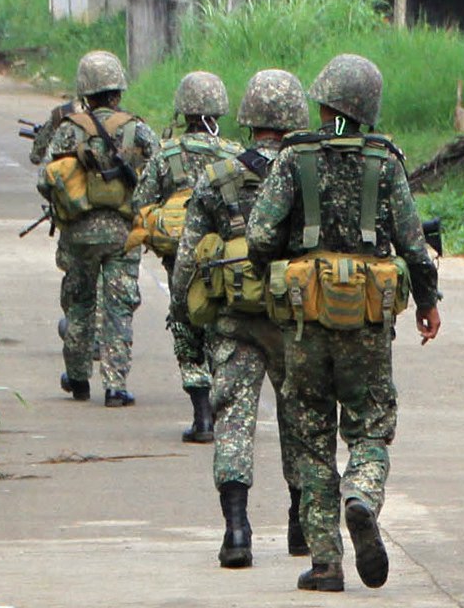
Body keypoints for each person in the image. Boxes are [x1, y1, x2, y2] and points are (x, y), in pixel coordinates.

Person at [245, 54, 441, 593]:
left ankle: (326, 564)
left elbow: (259, 236)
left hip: (304, 322)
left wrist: (281, 271)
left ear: (324, 101)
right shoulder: (386, 162)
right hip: (368, 324)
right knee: (370, 426)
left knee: (310, 436)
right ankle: (362, 495)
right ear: (368, 107)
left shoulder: (294, 157)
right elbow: (414, 245)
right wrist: (427, 302)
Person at [168, 69, 311, 568]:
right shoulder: (308, 174)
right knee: (300, 418)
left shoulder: (217, 177)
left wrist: (183, 318)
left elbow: (186, 264)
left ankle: (236, 530)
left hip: (234, 321)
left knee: (232, 419)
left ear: (248, 119)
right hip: (293, 319)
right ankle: (301, 526)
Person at [41, 51, 159, 407]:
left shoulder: (69, 129)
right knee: (118, 308)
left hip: (79, 233)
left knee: (79, 303)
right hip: (124, 233)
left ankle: (78, 379)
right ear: (118, 91)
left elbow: (46, 179)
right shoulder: (137, 129)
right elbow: (159, 171)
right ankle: (115, 387)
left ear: (85, 91)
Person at [134, 71, 238, 442]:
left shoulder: (166, 154)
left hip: (180, 260)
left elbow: (140, 202)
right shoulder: (233, 154)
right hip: (223, 261)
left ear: (183, 109)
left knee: (186, 326)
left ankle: (202, 417)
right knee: (222, 330)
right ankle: (226, 411)